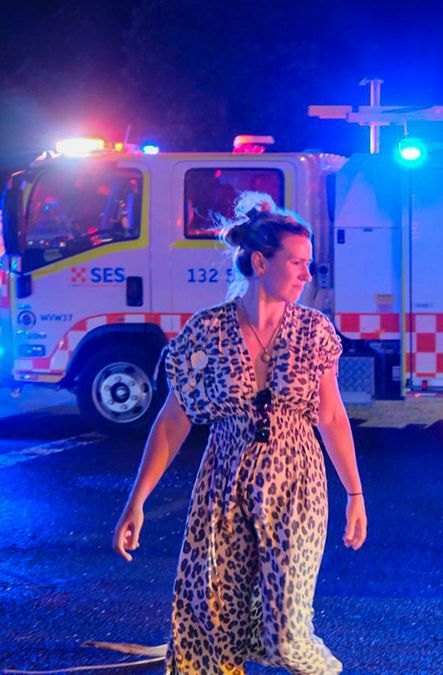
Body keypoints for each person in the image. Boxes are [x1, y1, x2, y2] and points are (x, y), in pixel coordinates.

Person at [112, 193, 367, 673]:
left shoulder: (314, 331)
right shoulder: (207, 331)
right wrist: (136, 500)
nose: (307, 275)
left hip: (297, 487)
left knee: (288, 631)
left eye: (308, 264)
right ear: (260, 262)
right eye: (296, 263)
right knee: (212, 623)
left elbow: (331, 417)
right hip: (223, 485)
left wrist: (354, 493)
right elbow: (173, 420)